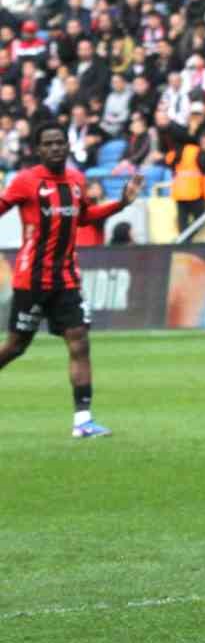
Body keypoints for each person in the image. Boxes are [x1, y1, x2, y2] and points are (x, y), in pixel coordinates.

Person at [0, 124, 142, 437]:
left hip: (66, 278)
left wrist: (121, 204)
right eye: (48, 144)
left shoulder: (76, 180)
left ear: (68, 146)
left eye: (60, 143)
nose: (55, 148)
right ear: (38, 150)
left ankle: (83, 421)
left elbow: (85, 217)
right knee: (15, 346)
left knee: (79, 340)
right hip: (32, 279)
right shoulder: (26, 181)